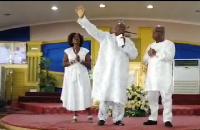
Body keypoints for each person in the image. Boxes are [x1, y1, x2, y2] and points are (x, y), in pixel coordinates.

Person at [75, 5, 138, 126]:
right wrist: (83, 18)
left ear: (125, 30)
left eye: (123, 27)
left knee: (119, 97)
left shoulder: (128, 42)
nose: (120, 28)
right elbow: (93, 30)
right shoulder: (106, 37)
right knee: (105, 95)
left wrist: (124, 44)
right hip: (106, 72)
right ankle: (102, 118)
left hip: (120, 74)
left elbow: (134, 55)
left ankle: (118, 119)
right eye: (118, 26)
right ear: (115, 28)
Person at [143, 25, 175, 127]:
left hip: (164, 76)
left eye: (156, 32)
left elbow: (170, 57)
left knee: (166, 99)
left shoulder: (169, 44)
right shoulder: (150, 45)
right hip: (152, 77)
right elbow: (144, 59)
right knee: (152, 98)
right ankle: (153, 118)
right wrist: (149, 54)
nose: (154, 34)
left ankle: (167, 120)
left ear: (162, 33)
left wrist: (157, 53)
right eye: (153, 32)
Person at [61, 32, 93, 123]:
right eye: (74, 38)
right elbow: (64, 64)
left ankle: (89, 114)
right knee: (74, 93)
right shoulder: (67, 51)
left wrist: (81, 61)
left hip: (82, 74)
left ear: (80, 40)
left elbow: (89, 64)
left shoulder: (85, 51)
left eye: (78, 37)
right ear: (71, 40)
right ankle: (75, 115)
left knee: (84, 92)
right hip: (71, 75)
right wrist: (71, 62)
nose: (76, 39)